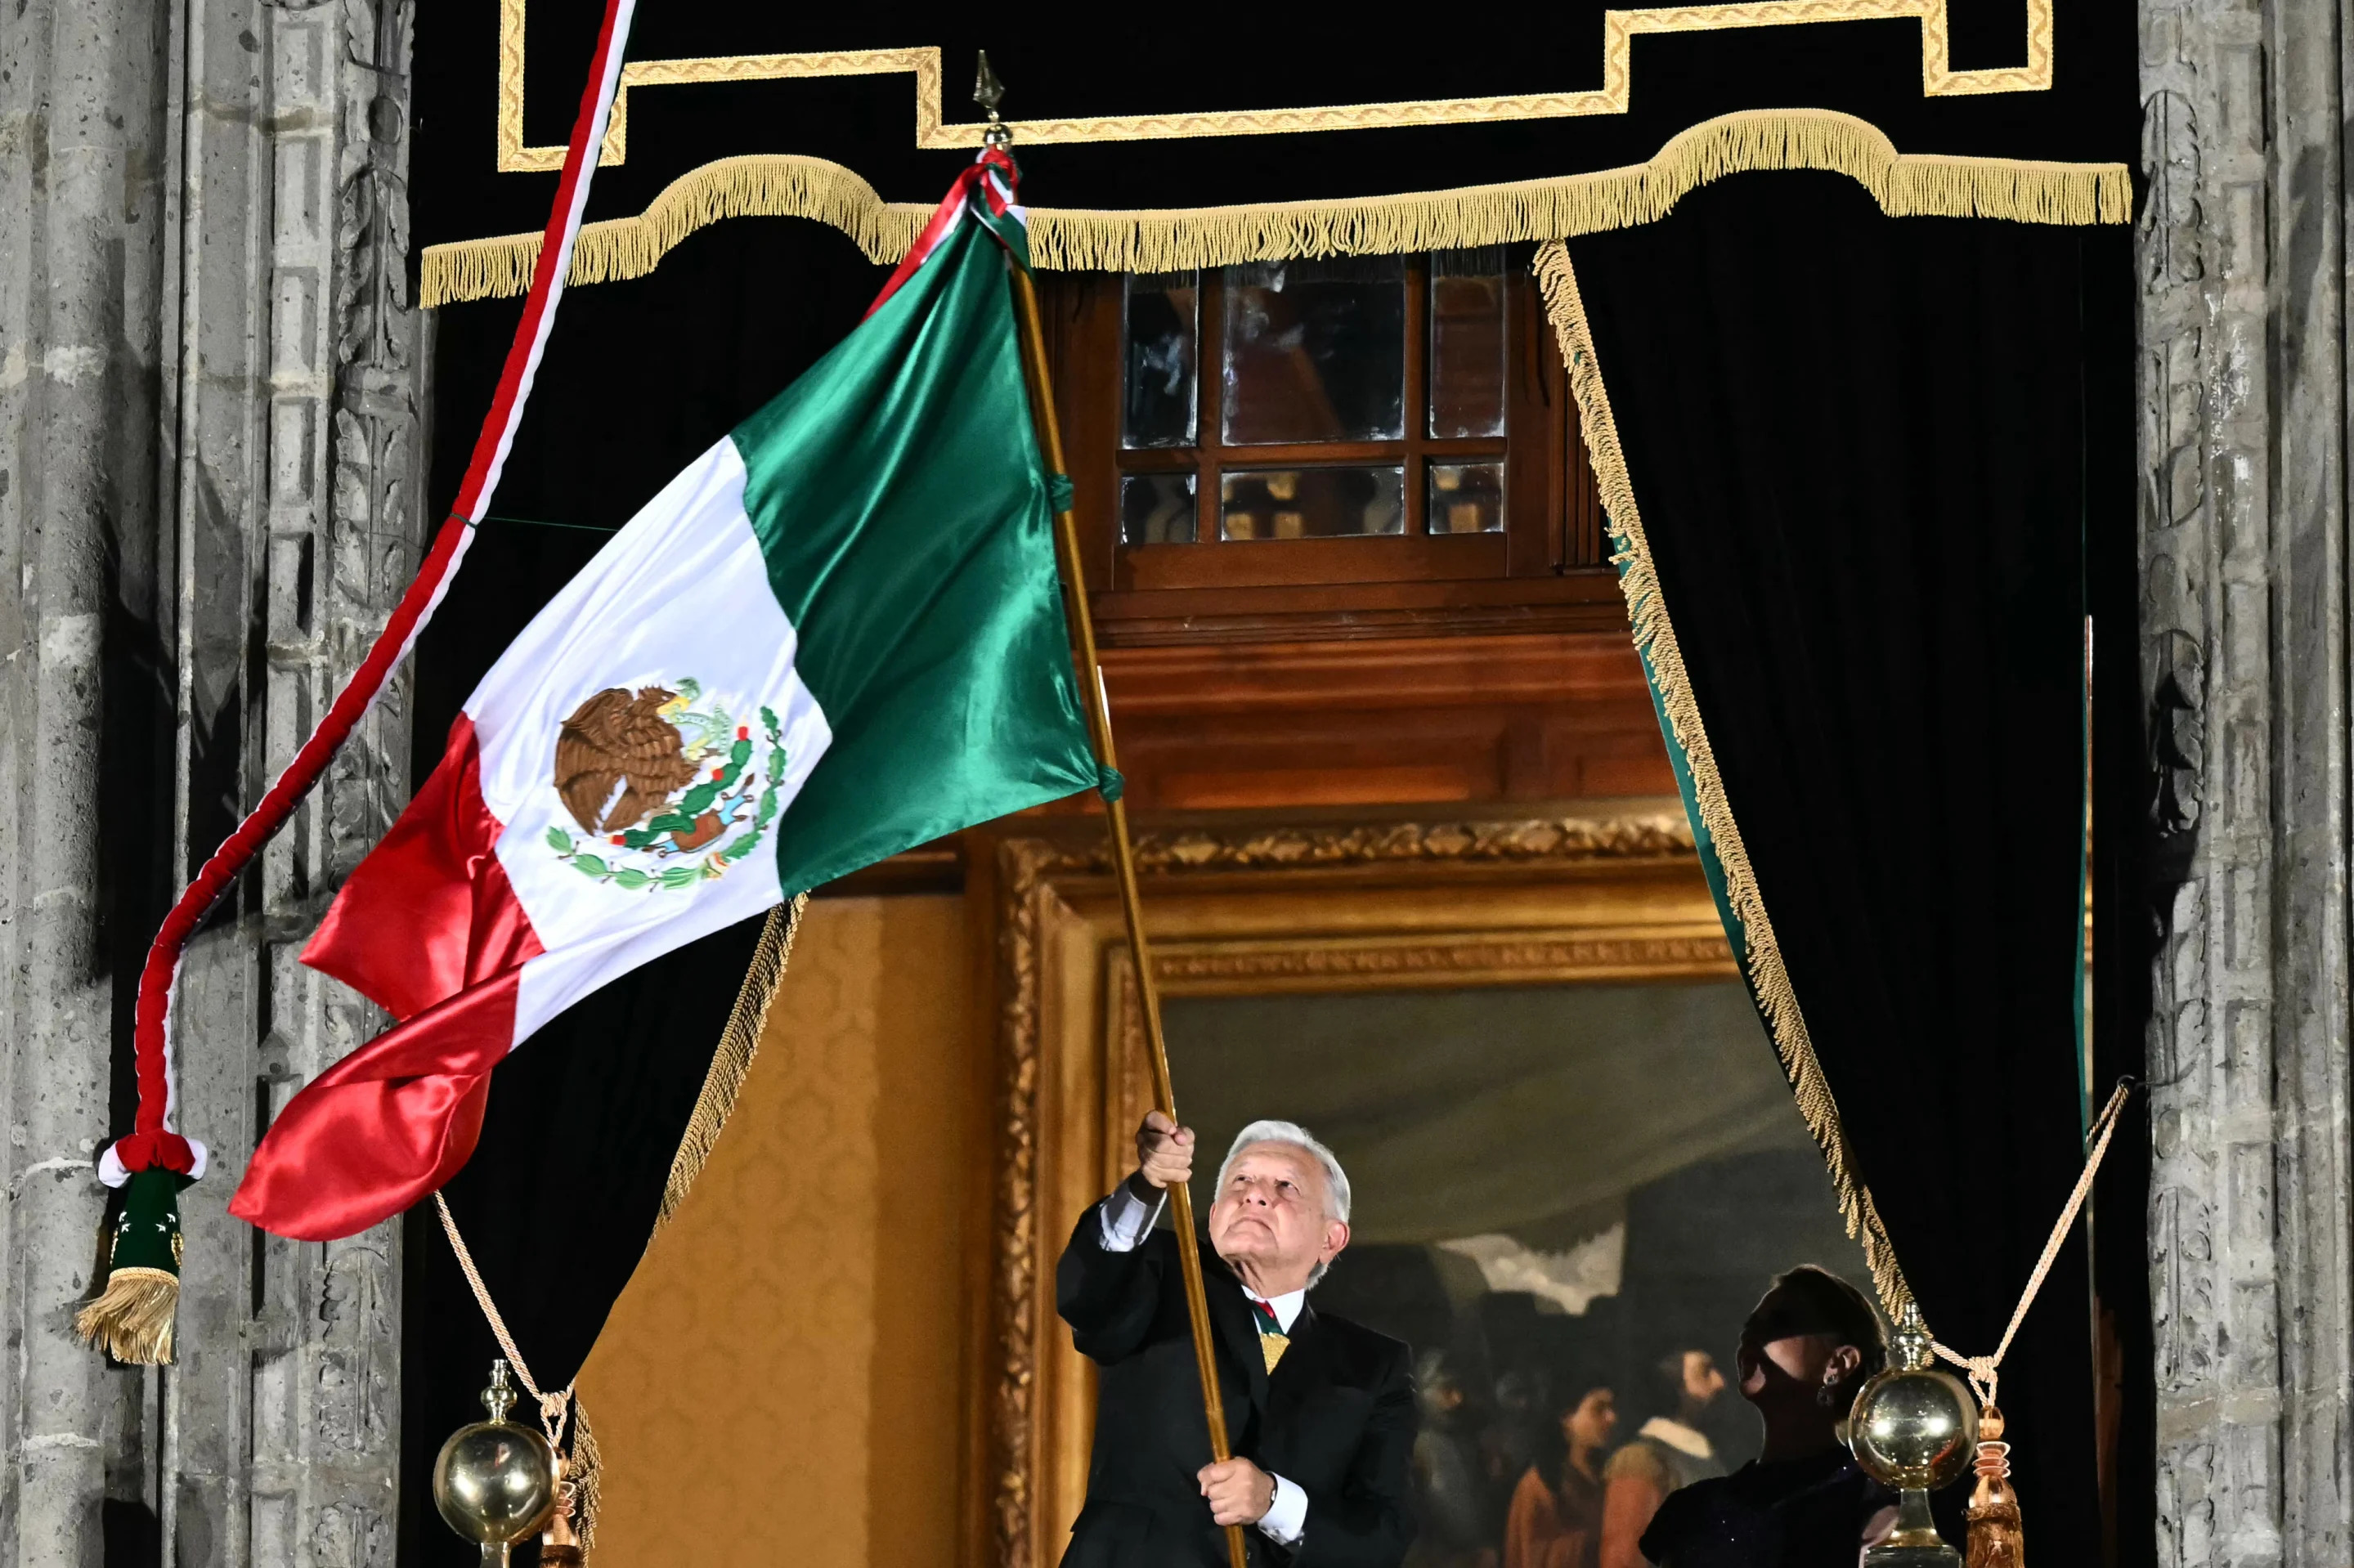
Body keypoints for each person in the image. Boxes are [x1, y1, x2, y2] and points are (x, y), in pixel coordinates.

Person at [1057, 1111, 1417, 1566]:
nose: (1254, 1195)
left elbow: (1382, 1536)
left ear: (1332, 1239)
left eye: (1286, 1187)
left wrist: (1273, 1501)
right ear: (1212, 1219)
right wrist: (1147, 1186)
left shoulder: (1375, 1365)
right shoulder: (1161, 1275)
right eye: (1239, 1181)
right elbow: (1087, 1294)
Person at [1636, 1266, 1897, 1566]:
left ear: (1838, 1363)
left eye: (1779, 1324)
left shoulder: (1873, 1502)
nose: (1750, 1339)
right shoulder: (1690, 1510)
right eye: (1750, 1328)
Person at [1598, 1349, 1728, 1568]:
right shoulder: (1641, 1459)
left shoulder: (1709, 1457)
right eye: (1705, 1373)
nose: (1720, 1382)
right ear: (1674, 1387)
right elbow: (1623, 1561)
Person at [1504, 1379, 1618, 1568]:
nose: (1612, 1417)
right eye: (1599, 1409)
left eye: (1612, 1407)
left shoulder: (1611, 1474)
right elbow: (1529, 1558)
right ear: (1567, 1418)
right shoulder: (1537, 1486)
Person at [1402, 1352, 1494, 1568]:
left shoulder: (1468, 1441)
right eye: (1447, 1390)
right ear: (1425, 1394)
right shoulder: (1413, 1450)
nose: (1458, 1398)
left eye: (1459, 1389)